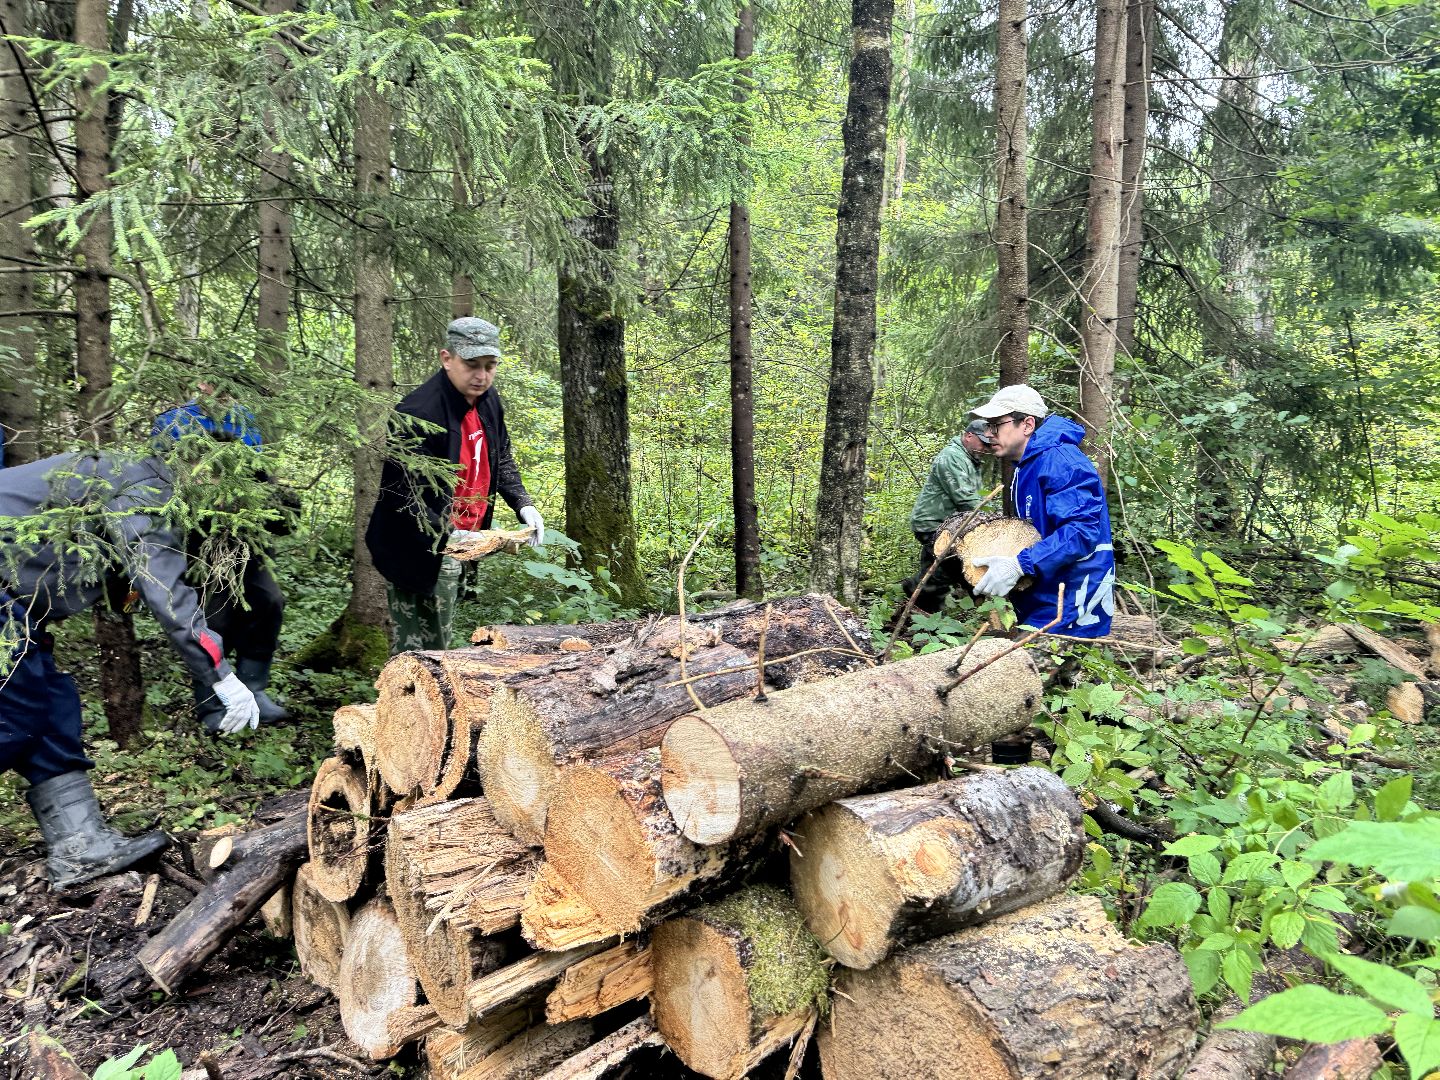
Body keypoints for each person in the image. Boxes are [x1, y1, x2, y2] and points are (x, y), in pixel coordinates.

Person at [0, 451, 260, 888]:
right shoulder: (139, 482)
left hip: (19, 608)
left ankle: (79, 846)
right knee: (14, 718)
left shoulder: (124, 475)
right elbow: (163, 587)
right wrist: (219, 674)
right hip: (6, 603)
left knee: (50, 706)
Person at [365, 317, 544, 653]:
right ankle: (408, 702)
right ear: (447, 358)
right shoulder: (417, 413)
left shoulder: (488, 400)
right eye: (472, 365)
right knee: (424, 651)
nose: (482, 376)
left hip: (462, 542)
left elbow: (500, 455)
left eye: (490, 366)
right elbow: (405, 497)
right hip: (420, 547)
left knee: (441, 642)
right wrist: (452, 535)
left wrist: (523, 503)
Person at [153, 387, 290, 730]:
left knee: (268, 602)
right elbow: (164, 474)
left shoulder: (248, 419)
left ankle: (254, 689)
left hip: (247, 536)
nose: (218, 391)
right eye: (211, 383)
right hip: (198, 537)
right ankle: (212, 703)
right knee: (214, 617)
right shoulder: (173, 421)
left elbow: (264, 473)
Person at [968, 384, 1115, 638]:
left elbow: (1081, 531)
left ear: (1026, 425)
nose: (989, 434)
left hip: (1069, 605)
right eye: (987, 426)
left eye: (996, 425)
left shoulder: (1060, 460)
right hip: (1046, 600)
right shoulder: (1027, 466)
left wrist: (1019, 565)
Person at [901, 418, 996, 615]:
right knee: (949, 570)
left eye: (989, 444)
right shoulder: (952, 457)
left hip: (948, 524)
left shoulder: (969, 459)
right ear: (968, 436)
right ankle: (925, 618)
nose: (986, 448)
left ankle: (914, 605)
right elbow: (965, 497)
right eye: (983, 443)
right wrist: (993, 519)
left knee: (937, 571)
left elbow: (975, 496)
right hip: (932, 524)